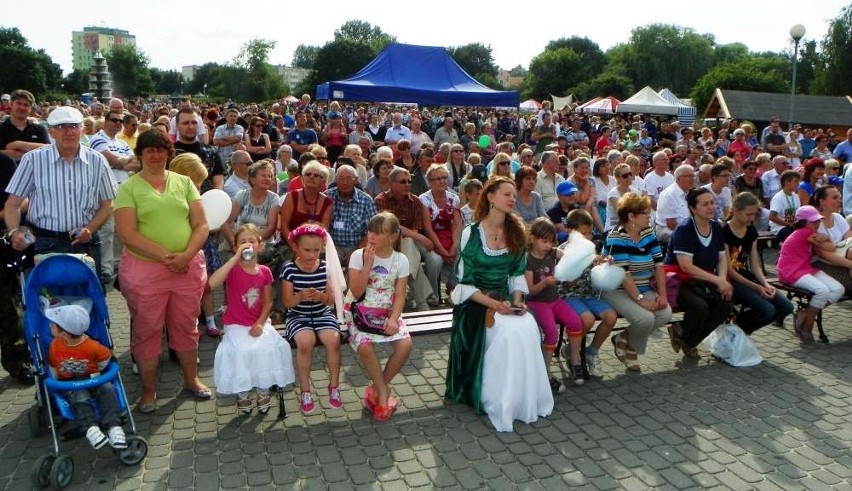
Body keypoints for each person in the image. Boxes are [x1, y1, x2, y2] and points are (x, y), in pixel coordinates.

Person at [445, 177, 553, 432]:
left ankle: (519, 397)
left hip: (505, 299)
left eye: (514, 195)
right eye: (507, 194)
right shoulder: (471, 233)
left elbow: (517, 275)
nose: (512, 199)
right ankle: (492, 395)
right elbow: (464, 285)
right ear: (490, 197)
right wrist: (496, 305)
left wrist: (517, 302)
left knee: (525, 325)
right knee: (507, 331)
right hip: (475, 301)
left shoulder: (516, 230)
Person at [114, 129, 211, 413]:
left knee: (186, 326)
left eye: (160, 149)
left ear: (169, 153)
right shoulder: (128, 188)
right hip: (145, 271)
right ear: (140, 154)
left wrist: (186, 255)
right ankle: (148, 391)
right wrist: (166, 256)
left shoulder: (184, 183)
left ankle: (191, 380)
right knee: (147, 331)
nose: (155, 155)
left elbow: (201, 224)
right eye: (149, 150)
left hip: (186, 268)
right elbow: (126, 233)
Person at [4, 106, 116, 277]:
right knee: (47, 299)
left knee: (90, 298)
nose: (68, 132)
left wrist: (90, 228)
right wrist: (14, 232)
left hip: (85, 242)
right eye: (60, 127)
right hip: (44, 242)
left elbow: (108, 204)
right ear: (51, 132)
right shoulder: (33, 160)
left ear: (83, 130)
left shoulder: (98, 160)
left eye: (73, 126)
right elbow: (12, 204)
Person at [207, 224, 294, 414]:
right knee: (241, 351)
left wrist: (260, 324)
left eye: (251, 241)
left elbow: (268, 302)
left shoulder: (264, 271)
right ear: (235, 246)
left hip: (258, 322)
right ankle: (243, 393)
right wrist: (234, 258)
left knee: (270, 348)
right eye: (242, 242)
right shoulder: (232, 269)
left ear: (260, 245)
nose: (247, 245)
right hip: (236, 323)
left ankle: (263, 390)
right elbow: (212, 283)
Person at [342, 213, 413, 422]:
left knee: (405, 345)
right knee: (365, 346)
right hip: (359, 309)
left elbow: (400, 295)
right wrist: (368, 264)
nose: (371, 237)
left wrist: (393, 319)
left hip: (385, 311)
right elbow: (355, 291)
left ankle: (375, 387)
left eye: (378, 233)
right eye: (370, 231)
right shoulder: (359, 255)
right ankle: (383, 393)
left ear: (392, 237)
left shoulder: (401, 259)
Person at [603, 193, 672, 373]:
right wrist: (641, 300)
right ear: (631, 216)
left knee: (665, 313)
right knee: (645, 318)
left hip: (641, 286)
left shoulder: (648, 232)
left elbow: (658, 266)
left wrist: (663, 296)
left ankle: (623, 337)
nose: (650, 217)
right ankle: (632, 349)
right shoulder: (616, 237)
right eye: (646, 214)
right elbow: (624, 275)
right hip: (616, 289)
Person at [281, 223, 344, 414]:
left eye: (316, 250)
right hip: (297, 315)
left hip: (321, 313)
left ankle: (334, 387)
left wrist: (321, 297)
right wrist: (300, 297)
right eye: (306, 250)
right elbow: (287, 303)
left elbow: (331, 299)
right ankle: (305, 390)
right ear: (296, 248)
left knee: (333, 340)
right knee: (305, 343)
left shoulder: (326, 267)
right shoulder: (289, 270)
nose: (311, 255)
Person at [664, 188, 733, 358]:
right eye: (705, 204)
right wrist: (718, 281)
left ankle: (687, 339)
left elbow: (722, 258)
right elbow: (686, 266)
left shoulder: (716, 226)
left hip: (705, 279)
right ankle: (688, 340)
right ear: (693, 209)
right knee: (700, 307)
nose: (711, 207)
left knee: (725, 305)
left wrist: (722, 280)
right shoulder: (685, 229)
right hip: (679, 280)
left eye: (712, 202)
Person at [46, 303, 126, 449]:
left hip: (93, 377)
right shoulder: (54, 346)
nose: (50, 326)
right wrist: (56, 381)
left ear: (63, 333)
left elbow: (106, 358)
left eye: (53, 325)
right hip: (70, 382)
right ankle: (91, 428)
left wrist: (98, 372)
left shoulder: (92, 346)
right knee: (79, 396)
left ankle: (114, 426)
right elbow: (52, 365)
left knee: (107, 389)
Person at [525, 218, 583, 391]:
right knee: (551, 332)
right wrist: (545, 283)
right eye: (544, 241)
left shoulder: (552, 252)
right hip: (538, 302)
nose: (548, 245)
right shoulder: (528, 260)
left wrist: (587, 261)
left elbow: (570, 258)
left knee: (575, 322)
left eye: (551, 241)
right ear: (533, 238)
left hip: (555, 299)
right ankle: (545, 373)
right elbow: (530, 290)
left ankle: (575, 362)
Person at [723, 192, 794, 333]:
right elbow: (729, 270)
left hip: (746, 276)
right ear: (736, 211)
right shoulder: (724, 230)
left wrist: (765, 283)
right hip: (730, 280)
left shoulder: (751, 230)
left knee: (786, 307)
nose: (752, 218)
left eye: (755, 214)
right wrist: (757, 287)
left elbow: (755, 264)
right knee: (767, 310)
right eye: (748, 214)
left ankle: (739, 328)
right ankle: (736, 331)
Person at [374, 167, 439, 309]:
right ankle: (422, 301)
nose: (407, 184)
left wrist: (415, 237)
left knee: (434, 259)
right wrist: (421, 238)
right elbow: (391, 228)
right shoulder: (381, 200)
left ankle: (411, 291)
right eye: (403, 182)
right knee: (409, 245)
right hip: (389, 241)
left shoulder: (415, 201)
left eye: (409, 181)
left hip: (411, 241)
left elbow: (414, 228)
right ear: (391, 183)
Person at [777, 206, 844, 341]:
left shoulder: (810, 233)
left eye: (818, 221)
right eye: (813, 222)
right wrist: (825, 238)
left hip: (805, 269)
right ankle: (808, 326)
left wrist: (824, 237)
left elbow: (830, 247)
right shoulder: (804, 232)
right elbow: (831, 247)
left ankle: (804, 314)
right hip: (790, 271)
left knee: (838, 289)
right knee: (822, 291)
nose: (817, 224)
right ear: (803, 222)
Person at [326, 165, 377, 264]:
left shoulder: (366, 200)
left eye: (349, 179)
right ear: (335, 180)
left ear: (356, 180)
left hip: (358, 246)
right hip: (332, 246)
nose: (345, 182)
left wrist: (357, 251)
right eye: (341, 179)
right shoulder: (327, 197)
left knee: (357, 265)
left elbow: (372, 230)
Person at [279, 161, 333, 252]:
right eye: (308, 174)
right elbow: (284, 226)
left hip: (314, 247)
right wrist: (293, 246)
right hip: (290, 245)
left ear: (323, 182)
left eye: (316, 175)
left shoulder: (327, 202)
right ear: (303, 178)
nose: (311, 177)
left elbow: (324, 229)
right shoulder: (292, 196)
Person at [812, 186, 852, 296]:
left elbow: (850, 241)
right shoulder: (815, 223)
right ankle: (807, 312)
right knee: (849, 286)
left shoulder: (838, 217)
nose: (840, 201)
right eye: (835, 198)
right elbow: (822, 253)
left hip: (842, 258)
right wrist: (850, 264)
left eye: (839, 197)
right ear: (822, 202)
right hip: (821, 262)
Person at [0, 89, 49, 162]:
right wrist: (34, 151)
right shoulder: (1, 129)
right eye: (19, 103)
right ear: (11, 104)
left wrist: (17, 144)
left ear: (30, 109)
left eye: (26, 105)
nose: (22, 107)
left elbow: (49, 150)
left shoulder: (39, 129)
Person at [655, 165, 695, 243]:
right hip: (668, 232)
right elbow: (671, 224)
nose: (692, 179)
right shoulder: (669, 195)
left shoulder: (688, 192)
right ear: (679, 178)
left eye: (693, 176)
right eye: (689, 176)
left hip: (684, 229)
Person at [768, 170, 801, 241]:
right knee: (795, 238)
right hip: (779, 228)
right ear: (787, 182)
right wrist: (788, 224)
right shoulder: (778, 197)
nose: (798, 184)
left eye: (798, 181)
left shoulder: (795, 196)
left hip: (792, 226)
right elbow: (772, 217)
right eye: (796, 181)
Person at [606, 164, 640, 232]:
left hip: (631, 225)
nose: (629, 177)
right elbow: (622, 214)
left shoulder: (636, 192)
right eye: (625, 176)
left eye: (630, 174)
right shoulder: (613, 194)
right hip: (614, 227)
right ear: (618, 178)